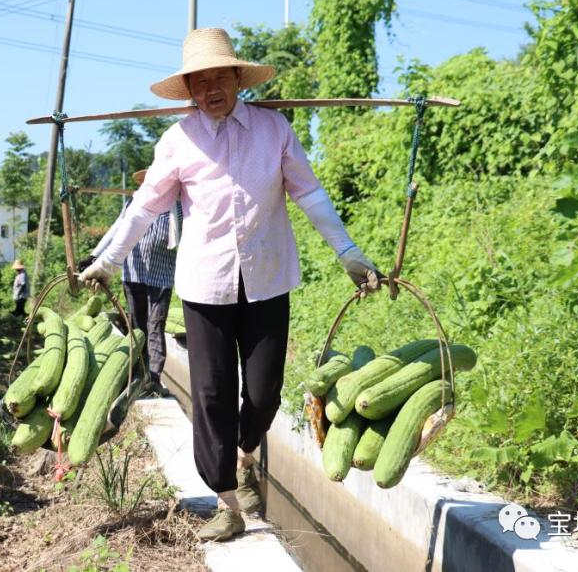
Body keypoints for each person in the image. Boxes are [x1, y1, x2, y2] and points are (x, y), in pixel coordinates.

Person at [79, 28, 382, 542]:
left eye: (220, 75)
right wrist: (107, 261)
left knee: (263, 394)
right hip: (205, 285)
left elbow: (310, 195)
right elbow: (145, 207)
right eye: (200, 80)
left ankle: (244, 455)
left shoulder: (274, 130)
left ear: (238, 78)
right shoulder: (177, 141)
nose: (211, 87)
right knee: (211, 394)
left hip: (266, 279)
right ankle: (225, 501)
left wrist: (348, 254)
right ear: (190, 89)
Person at [83, 169, 182, 398]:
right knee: (137, 327)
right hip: (133, 272)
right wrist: (96, 255)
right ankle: (137, 375)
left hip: (162, 275)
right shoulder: (133, 203)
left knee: (155, 325)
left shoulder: (176, 205)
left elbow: (182, 234)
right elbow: (117, 229)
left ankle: (153, 379)